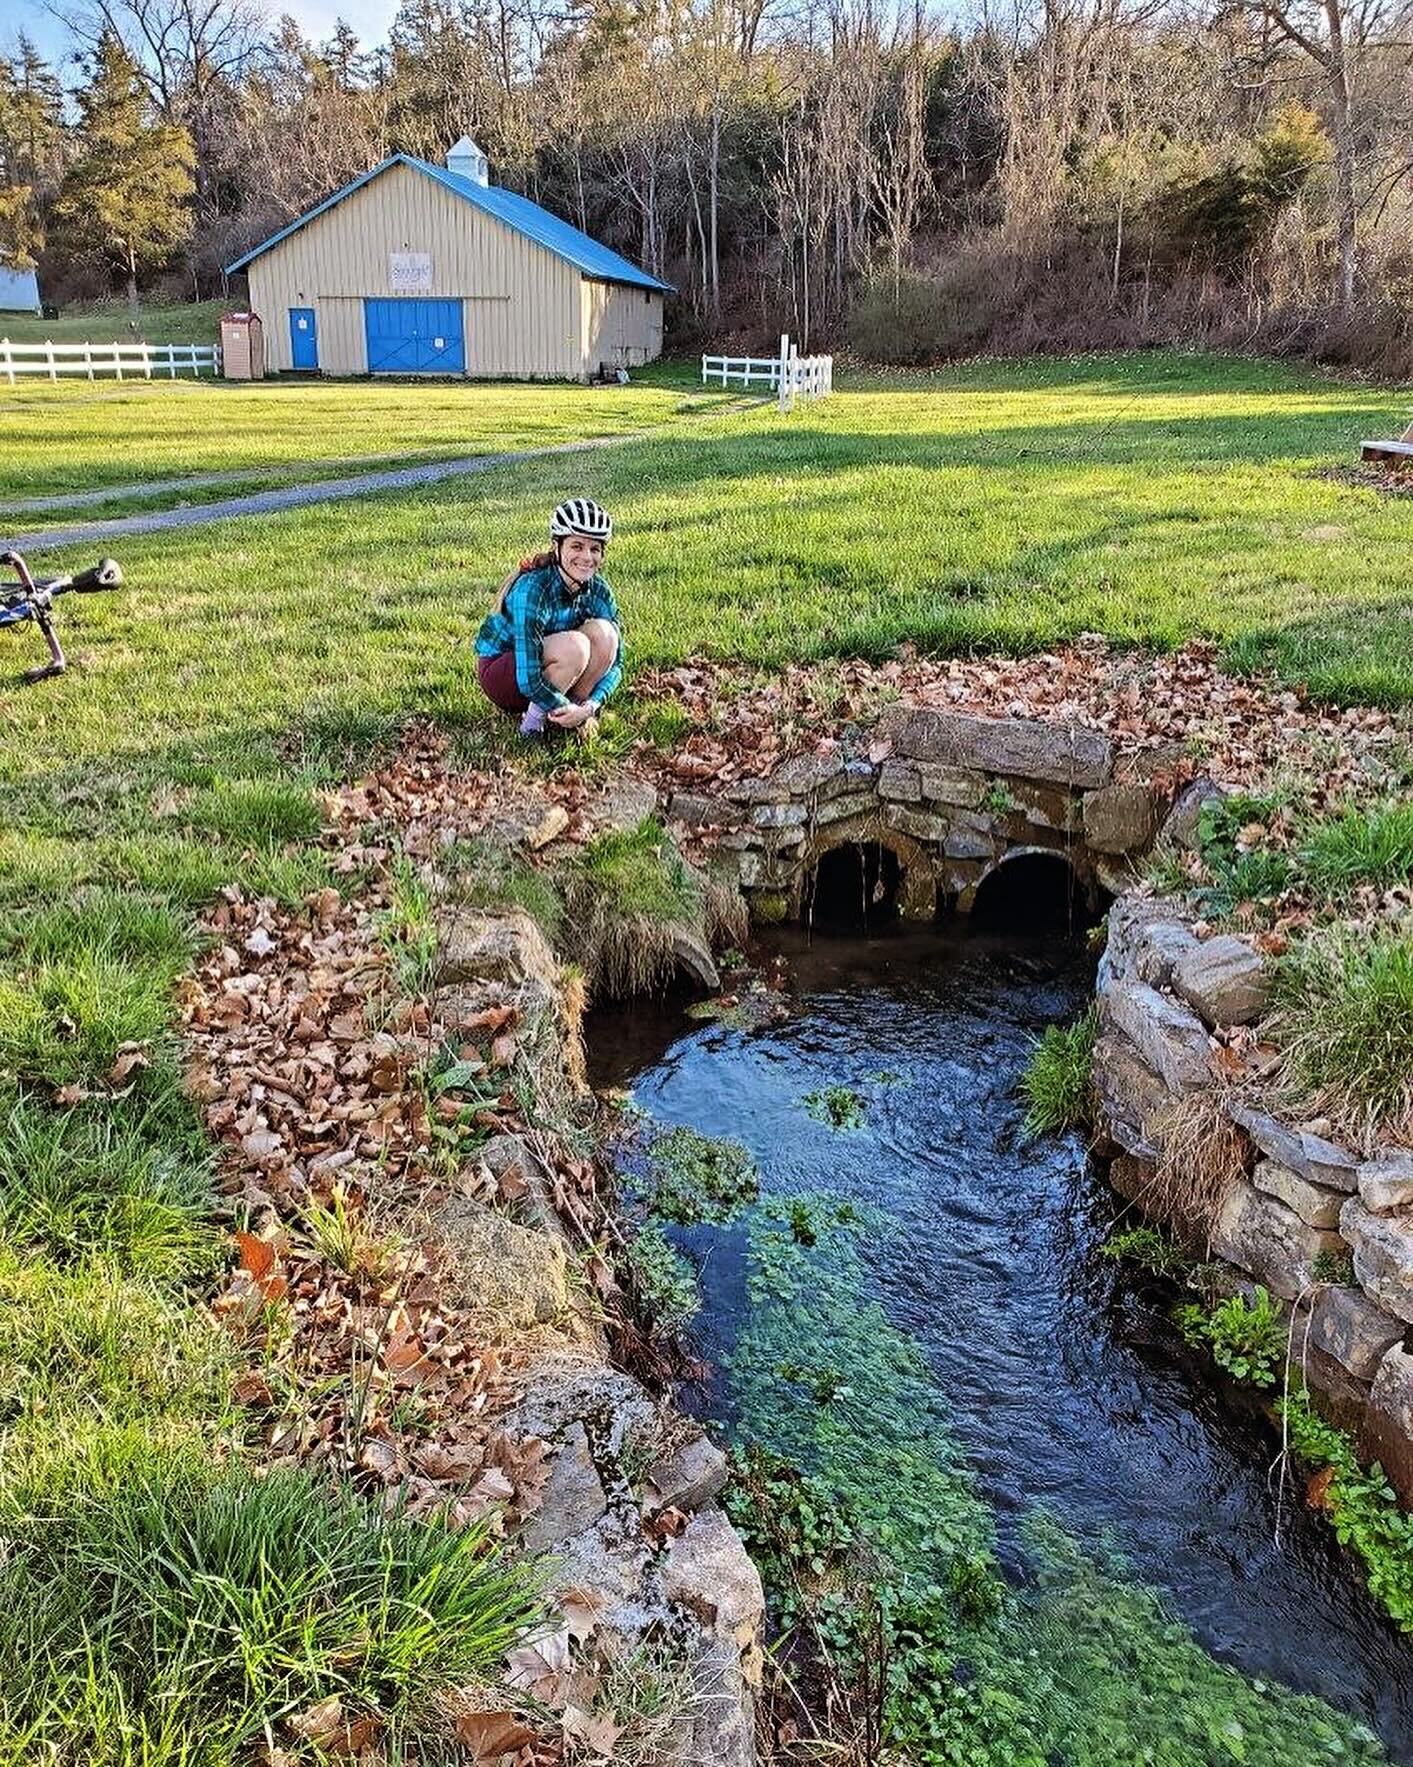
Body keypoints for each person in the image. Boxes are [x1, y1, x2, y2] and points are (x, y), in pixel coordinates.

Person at [475, 498, 623, 737]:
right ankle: (531, 727)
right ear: (557, 546)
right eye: (577, 546)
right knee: (576, 647)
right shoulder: (533, 589)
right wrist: (565, 706)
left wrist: (590, 706)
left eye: (594, 549)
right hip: (504, 672)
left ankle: (566, 719)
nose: (587, 557)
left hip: (550, 664)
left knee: (606, 635)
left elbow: (617, 664)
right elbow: (528, 678)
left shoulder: (598, 590)